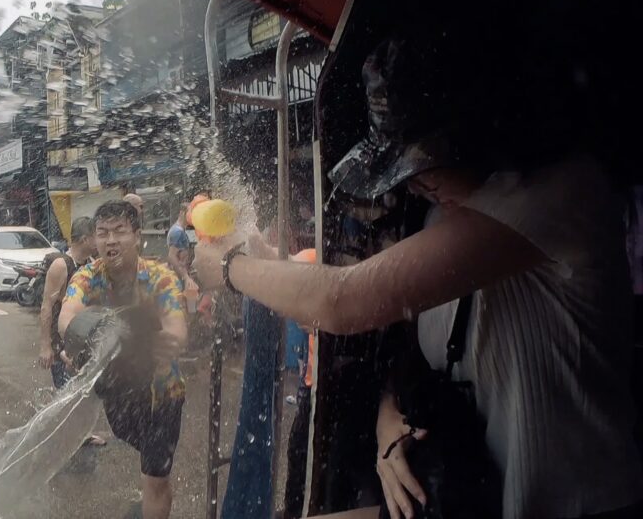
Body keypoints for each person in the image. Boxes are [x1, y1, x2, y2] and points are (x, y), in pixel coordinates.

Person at [194, 34, 643, 519]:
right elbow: (412, 357)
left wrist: (229, 268)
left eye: (426, 160)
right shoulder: (437, 221)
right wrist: (391, 420)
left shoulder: (561, 193)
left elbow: (342, 300)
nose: (415, 181)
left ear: (477, 133)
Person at [58, 200, 188, 519]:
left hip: (162, 394)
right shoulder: (87, 276)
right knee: (147, 460)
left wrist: (169, 343)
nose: (110, 240)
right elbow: (67, 317)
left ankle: (155, 497)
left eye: (120, 232)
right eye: (102, 233)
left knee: (154, 478)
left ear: (137, 236)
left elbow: (177, 328)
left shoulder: (160, 276)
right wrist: (76, 343)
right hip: (117, 390)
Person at [38, 216, 97, 388]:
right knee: (67, 396)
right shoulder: (62, 265)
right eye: (96, 235)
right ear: (86, 239)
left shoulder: (91, 264)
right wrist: (45, 345)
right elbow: (46, 307)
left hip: (84, 344)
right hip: (62, 345)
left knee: (85, 397)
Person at [166, 203, 199, 296]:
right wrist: (185, 277)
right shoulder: (177, 232)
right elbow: (172, 256)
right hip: (178, 277)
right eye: (191, 213)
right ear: (183, 213)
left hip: (180, 274)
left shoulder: (180, 230)